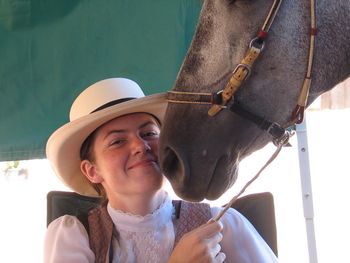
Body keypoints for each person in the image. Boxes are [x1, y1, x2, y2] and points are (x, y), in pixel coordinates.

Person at [44, 78, 278, 263]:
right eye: (117, 142)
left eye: (149, 134)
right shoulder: (74, 237)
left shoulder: (223, 226)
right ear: (92, 171)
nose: (140, 146)